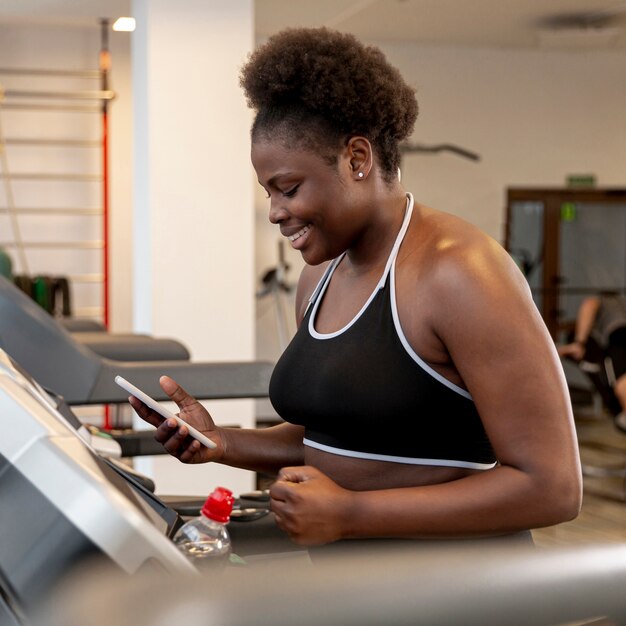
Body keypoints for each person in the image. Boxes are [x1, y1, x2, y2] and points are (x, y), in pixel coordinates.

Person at [130, 27, 582, 547]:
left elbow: (552, 488)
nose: (276, 212)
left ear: (357, 159)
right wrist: (223, 442)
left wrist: (354, 513)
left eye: (289, 188)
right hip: (353, 583)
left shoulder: (460, 272)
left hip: (455, 591)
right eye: (268, 192)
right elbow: (339, 437)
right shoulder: (318, 278)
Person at [558, 293, 626, 432]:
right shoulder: (621, 304)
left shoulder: (603, 300)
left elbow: (589, 304)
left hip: (620, 336)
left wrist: (579, 342)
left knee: (619, 383)